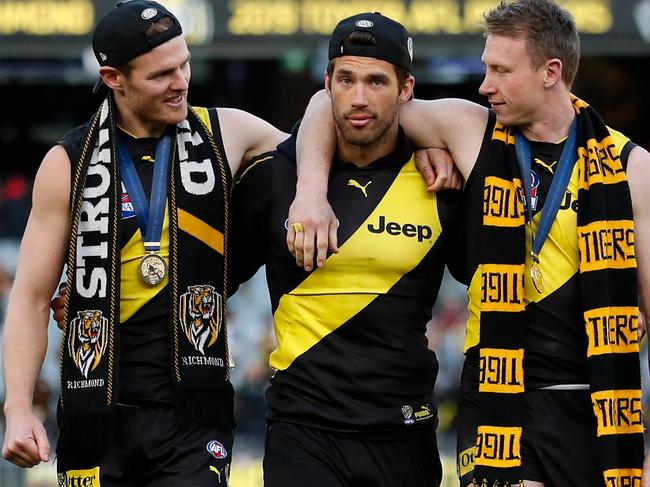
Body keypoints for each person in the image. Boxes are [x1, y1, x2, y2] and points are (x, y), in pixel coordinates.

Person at [289, 1, 650, 486]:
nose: (484, 85)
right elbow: (327, 105)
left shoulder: (631, 168)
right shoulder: (469, 129)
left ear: (551, 72)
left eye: (500, 70)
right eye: (485, 68)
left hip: (591, 402)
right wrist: (311, 190)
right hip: (496, 396)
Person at [1, 1, 288, 485]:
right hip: (94, 413)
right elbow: (30, 299)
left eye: (185, 64)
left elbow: (323, 148)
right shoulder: (67, 162)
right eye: (162, 75)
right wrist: (18, 407)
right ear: (114, 77)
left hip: (193, 418)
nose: (182, 83)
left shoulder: (229, 132)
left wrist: (429, 144)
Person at [229, 12, 464, 487]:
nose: (358, 98)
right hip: (302, 433)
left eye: (377, 81)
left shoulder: (441, 179)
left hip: (405, 433)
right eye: (346, 79)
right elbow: (205, 279)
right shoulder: (275, 178)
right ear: (327, 83)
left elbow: (492, 277)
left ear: (406, 89)